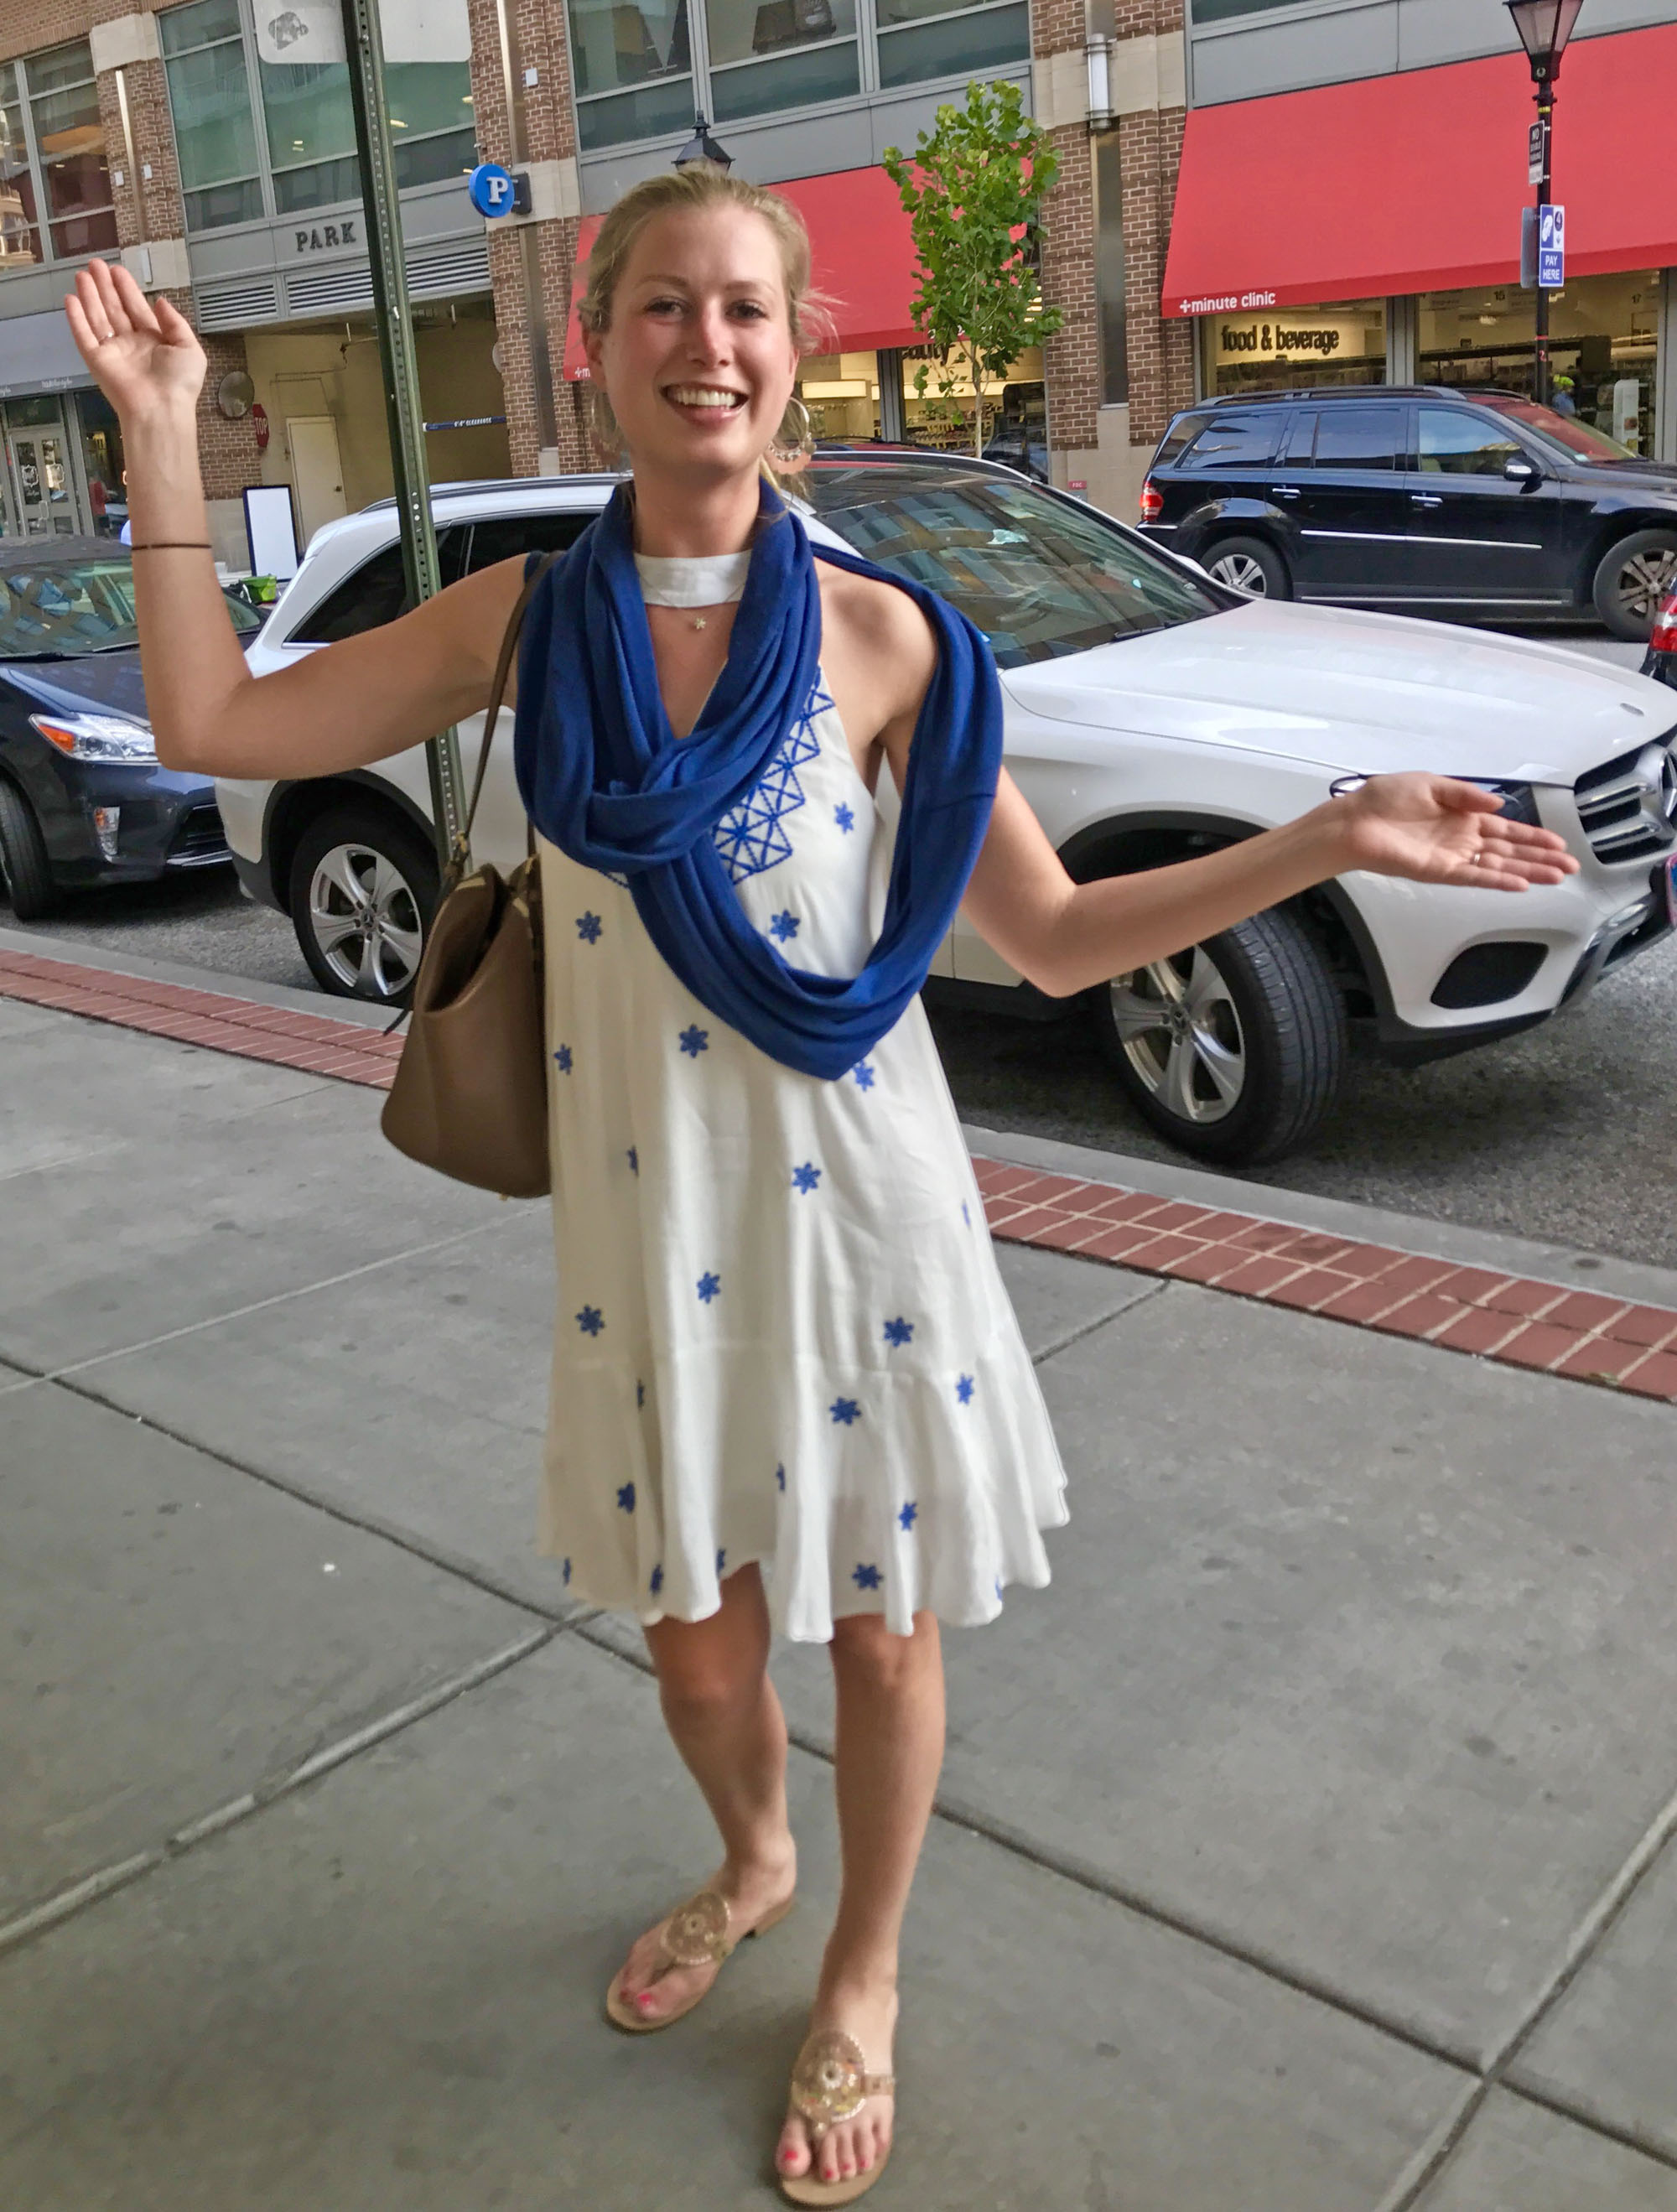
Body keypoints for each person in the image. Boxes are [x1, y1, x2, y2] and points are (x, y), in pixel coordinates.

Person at [64, 175, 1576, 2204]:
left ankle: (863, 1965)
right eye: (665, 307)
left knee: (876, 1640)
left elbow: (1053, 939)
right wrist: (164, 435)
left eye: (745, 309)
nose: (707, 344)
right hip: (646, 1235)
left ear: (795, 351)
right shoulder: (525, 622)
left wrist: (1328, 835)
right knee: (698, 1653)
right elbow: (212, 720)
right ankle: (756, 1855)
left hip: (864, 1222)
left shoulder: (887, 637)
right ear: (594, 343)